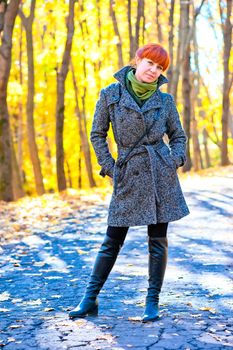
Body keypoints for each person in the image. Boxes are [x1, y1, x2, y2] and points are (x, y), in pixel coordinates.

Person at [69, 43, 190, 322]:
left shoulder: (165, 101)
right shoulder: (110, 95)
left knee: (157, 240)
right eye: (150, 63)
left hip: (159, 173)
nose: (153, 70)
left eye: (160, 67)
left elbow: (178, 136)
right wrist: (110, 167)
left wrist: (174, 160)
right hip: (127, 173)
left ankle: (152, 302)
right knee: (112, 239)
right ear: (137, 61)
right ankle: (89, 299)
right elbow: (97, 133)